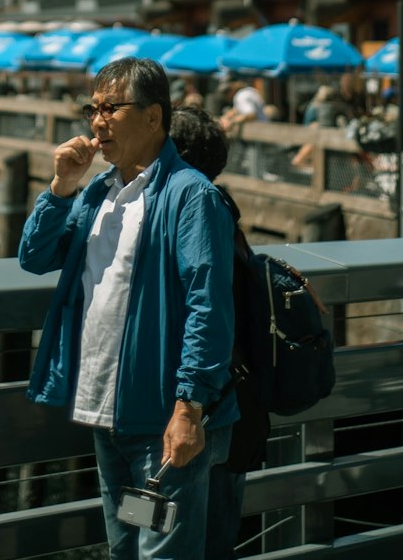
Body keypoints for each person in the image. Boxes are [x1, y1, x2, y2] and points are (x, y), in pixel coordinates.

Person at [19, 58, 237, 559]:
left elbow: (208, 305)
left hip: (162, 420)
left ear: (154, 118)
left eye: (111, 109)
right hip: (105, 413)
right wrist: (60, 187)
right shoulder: (99, 191)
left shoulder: (191, 197)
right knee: (126, 549)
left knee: (162, 554)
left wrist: (189, 407)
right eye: (92, 109)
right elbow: (34, 257)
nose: (97, 121)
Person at [169, 108, 252, 560]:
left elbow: (206, 310)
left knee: (198, 538)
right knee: (214, 534)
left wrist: (190, 401)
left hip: (206, 405)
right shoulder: (222, 208)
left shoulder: (200, 207)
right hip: (224, 398)